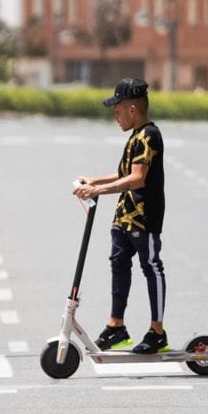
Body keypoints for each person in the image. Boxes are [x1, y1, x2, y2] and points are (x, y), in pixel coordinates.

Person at [74, 78, 168, 354]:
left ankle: (157, 332)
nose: (114, 116)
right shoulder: (134, 137)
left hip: (144, 217)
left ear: (132, 110)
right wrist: (94, 180)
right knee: (118, 264)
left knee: (151, 267)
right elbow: (124, 173)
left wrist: (98, 189)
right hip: (125, 216)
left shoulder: (149, 135)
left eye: (117, 110)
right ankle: (116, 327)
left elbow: (137, 179)